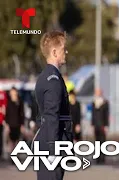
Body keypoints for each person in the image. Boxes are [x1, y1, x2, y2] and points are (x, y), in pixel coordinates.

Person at [33, 30, 73, 180]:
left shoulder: (46, 76)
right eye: (64, 49)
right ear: (55, 52)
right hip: (52, 142)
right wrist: (53, 149)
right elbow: (51, 115)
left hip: (49, 139)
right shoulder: (53, 79)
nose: (66, 52)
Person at [91, 88, 109, 164]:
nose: (97, 93)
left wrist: (106, 125)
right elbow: (93, 115)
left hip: (102, 125)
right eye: (96, 92)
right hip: (96, 125)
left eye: (98, 92)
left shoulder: (105, 103)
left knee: (103, 141)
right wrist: (92, 124)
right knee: (97, 141)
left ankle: (102, 158)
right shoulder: (94, 103)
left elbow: (106, 114)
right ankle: (98, 158)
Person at [5, 87, 25, 153]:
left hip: (17, 124)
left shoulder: (20, 101)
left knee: (17, 141)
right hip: (10, 125)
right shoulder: (8, 102)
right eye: (12, 92)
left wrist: (22, 125)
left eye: (14, 92)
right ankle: (11, 155)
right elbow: (7, 114)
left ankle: (15, 155)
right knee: (11, 141)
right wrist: (7, 125)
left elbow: (22, 114)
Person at [0, 90, 7, 160]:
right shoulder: (3, 94)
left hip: (1, 121)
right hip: (1, 120)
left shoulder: (2, 94)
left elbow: (4, 108)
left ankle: (1, 153)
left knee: (2, 138)